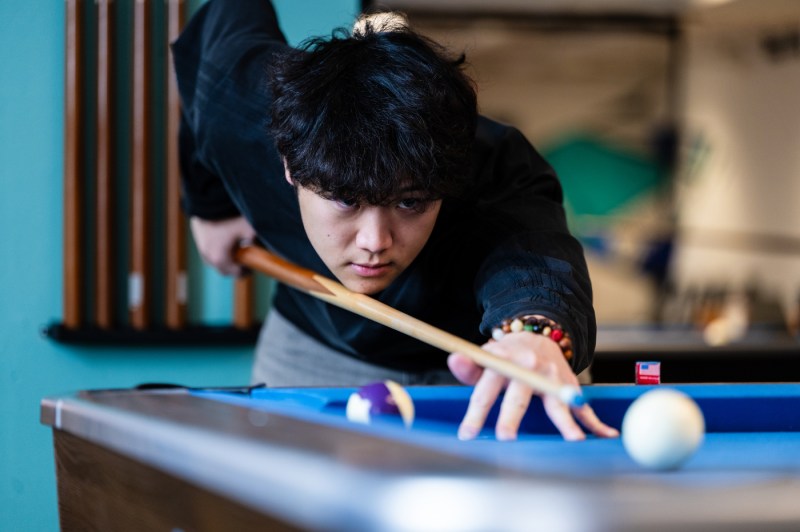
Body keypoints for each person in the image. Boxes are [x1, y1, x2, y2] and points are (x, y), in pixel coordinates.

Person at [172, 0, 618, 442]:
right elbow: (218, 27)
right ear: (290, 164)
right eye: (346, 199)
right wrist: (210, 206)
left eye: (410, 203)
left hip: (489, 365)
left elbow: (534, 260)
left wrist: (533, 332)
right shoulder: (245, 107)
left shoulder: (493, 167)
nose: (375, 241)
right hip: (316, 347)